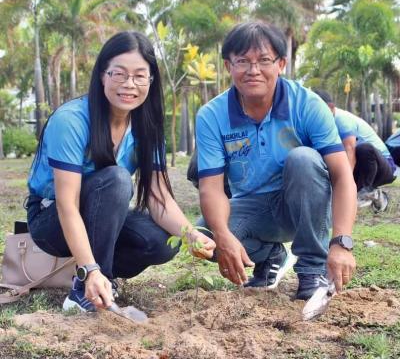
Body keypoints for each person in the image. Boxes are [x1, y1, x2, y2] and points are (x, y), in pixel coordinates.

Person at [26, 31, 215, 312]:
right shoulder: (71, 121)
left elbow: (158, 197)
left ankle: (101, 280)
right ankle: (85, 286)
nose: (129, 84)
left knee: (162, 241)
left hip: (102, 218)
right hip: (50, 218)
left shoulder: (147, 127)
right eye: (119, 74)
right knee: (116, 179)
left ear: (151, 80)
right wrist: (90, 270)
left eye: (140, 76)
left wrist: (190, 235)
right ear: (103, 75)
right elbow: (67, 205)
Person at [195, 21, 357, 300]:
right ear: (228, 66)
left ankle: (312, 269)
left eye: (264, 60)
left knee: (303, 158)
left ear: (281, 64)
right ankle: (270, 255)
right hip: (254, 207)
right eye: (242, 61)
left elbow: (343, 176)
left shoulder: (307, 104)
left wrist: (342, 242)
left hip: (306, 206)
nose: (253, 70)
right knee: (204, 236)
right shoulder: (211, 115)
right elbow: (211, 188)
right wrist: (222, 235)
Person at [314, 90, 396, 212]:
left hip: (384, 166)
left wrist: (345, 183)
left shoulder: (342, 119)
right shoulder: (321, 125)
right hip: (361, 167)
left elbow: (350, 150)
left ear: (330, 107)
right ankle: (374, 195)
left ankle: (365, 190)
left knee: (364, 149)